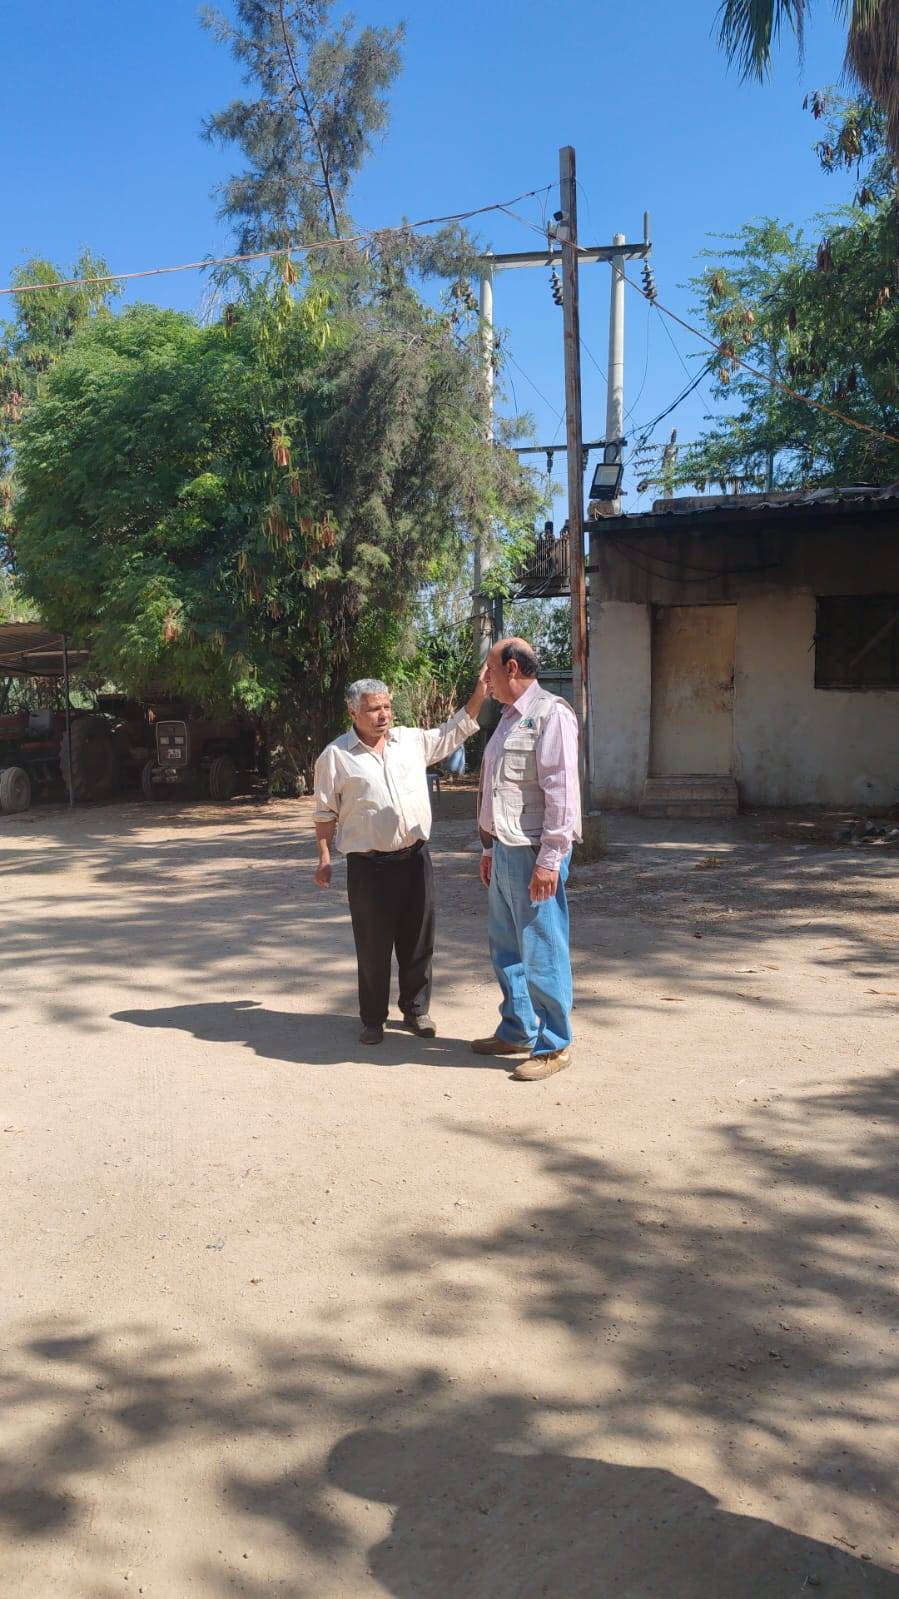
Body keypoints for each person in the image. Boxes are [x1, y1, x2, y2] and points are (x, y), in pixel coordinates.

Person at [313, 672, 487, 1045]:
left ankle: (416, 1010)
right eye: (373, 709)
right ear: (353, 713)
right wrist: (324, 856)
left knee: (419, 939)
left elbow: (452, 733)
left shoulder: (410, 741)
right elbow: (325, 812)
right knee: (373, 946)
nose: (383, 715)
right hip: (368, 867)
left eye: (387, 707)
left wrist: (479, 695)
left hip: (414, 859)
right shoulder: (335, 757)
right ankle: (373, 1019)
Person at [471, 637, 581, 1081]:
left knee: (542, 947)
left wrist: (550, 860)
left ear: (512, 668)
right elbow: (494, 789)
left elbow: (562, 792)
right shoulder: (507, 718)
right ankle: (517, 1028)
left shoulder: (552, 715)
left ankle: (555, 1044)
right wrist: (488, 847)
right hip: (504, 849)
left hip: (534, 852)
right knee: (506, 947)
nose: (486, 679)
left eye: (490, 671)